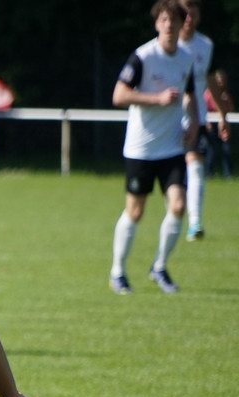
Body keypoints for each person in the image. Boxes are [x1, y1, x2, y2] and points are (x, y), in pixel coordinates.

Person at [109, 0, 198, 296]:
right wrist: (156, 99)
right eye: (164, 19)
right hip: (141, 149)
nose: (169, 25)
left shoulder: (186, 58)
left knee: (179, 206)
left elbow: (189, 94)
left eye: (174, 20)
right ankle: (117, 272)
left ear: (183, 23)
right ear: (157, 23)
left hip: (172, 147)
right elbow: (119, 95)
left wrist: (194, 122)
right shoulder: (143, 57)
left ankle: (159, 266)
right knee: (135, 212)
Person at [178, 0, 230, 241]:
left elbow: (211, 82)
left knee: (195, 166)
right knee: (170, 173)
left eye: (194, 10)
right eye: (185, 10)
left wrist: (222, 115)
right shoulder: (164, 44)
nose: (189, 16)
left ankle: (195, 222)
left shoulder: (205, 46)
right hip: (166, 120)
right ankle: (174, 214)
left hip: (195, 118)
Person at [204, 69, 233, 180]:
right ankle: (208, 174)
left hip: (223, 124)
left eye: (222, 80)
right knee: (211, 149)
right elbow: (204, 109)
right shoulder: (207, 94)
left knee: (226, 149)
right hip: (212, 124)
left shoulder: (226, 94)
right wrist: (207, 122)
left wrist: (226, 102)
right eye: (218, 80)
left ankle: (228, 175)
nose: (220, 82)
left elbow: (231, 110)